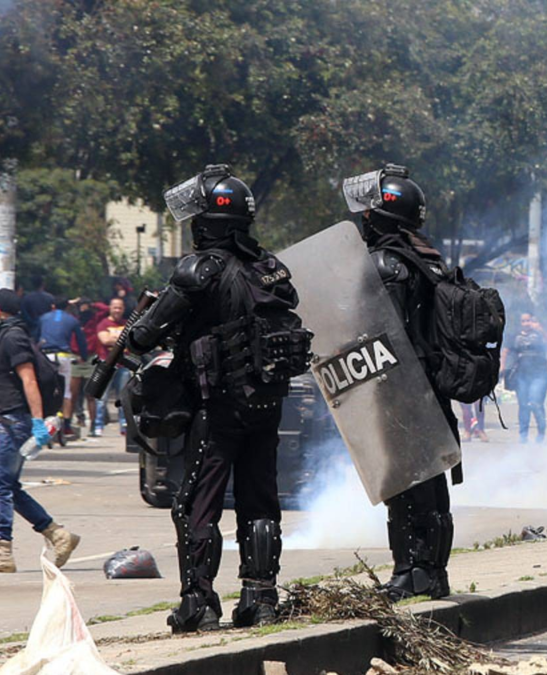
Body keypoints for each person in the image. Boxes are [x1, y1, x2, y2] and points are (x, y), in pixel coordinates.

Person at [122, 165, 310, 633]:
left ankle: (199, 604)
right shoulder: (268, 267)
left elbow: (143, 335)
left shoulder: (198, 270)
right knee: (259, 501)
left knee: (195, 505)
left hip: (217, 405)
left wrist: (146, 325)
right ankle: (260, 600)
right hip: (266, 403)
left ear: (208, 222)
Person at [344, 163, 462, 602]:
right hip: (432, 383)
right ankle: (433, 572)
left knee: (404, 484)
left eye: (369, 212)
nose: (364, 219)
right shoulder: (429, 259)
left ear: (382, 216)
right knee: (430, 480)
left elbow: (380, 333)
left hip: (400, 387)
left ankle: (410, 572)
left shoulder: (385, 264)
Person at [0, 289, 80, 574]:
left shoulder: (14, 337)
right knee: (8, 486)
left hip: (13, 420)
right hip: (10, 418)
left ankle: (2, 551)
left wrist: (38, 421)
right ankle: (58, 535)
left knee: (0, 487)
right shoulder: (6, 334)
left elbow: (29, 380)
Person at [38, 297, 88, 440]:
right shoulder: (72, 320)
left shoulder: (43, 318)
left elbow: (36, 336)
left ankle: (44, 420)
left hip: (46, 355)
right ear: (67, 307)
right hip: (63, 356)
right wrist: (83, 356)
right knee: (66, 391)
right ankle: (66, 425)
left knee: (45, 389)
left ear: (53, 306)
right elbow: (81, 341)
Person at [504, 312, 547, 443]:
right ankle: (523, 435)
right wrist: (502, 368)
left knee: (536, 403)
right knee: (523, 405)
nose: (526, 324)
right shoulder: (515, 336)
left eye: (528, 320)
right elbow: (506, 351)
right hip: (522, 375)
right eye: (523, 321)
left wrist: (540, 329)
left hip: (539, 374)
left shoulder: (539, 334)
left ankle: (541, 433)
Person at [93, 298, 128, 436]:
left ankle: (124, 425)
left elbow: (132, 340)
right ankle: (98, 426)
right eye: (115, 307)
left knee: (123, 398)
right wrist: (122, 338)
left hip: (123, 365)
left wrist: (114, 337)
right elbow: (105, 340)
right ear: (110, 308)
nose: (117, 310)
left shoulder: (127, 324)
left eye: (120, 307)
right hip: (106, 365)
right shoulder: (103, 323)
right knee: (102, 397)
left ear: (123, 309)